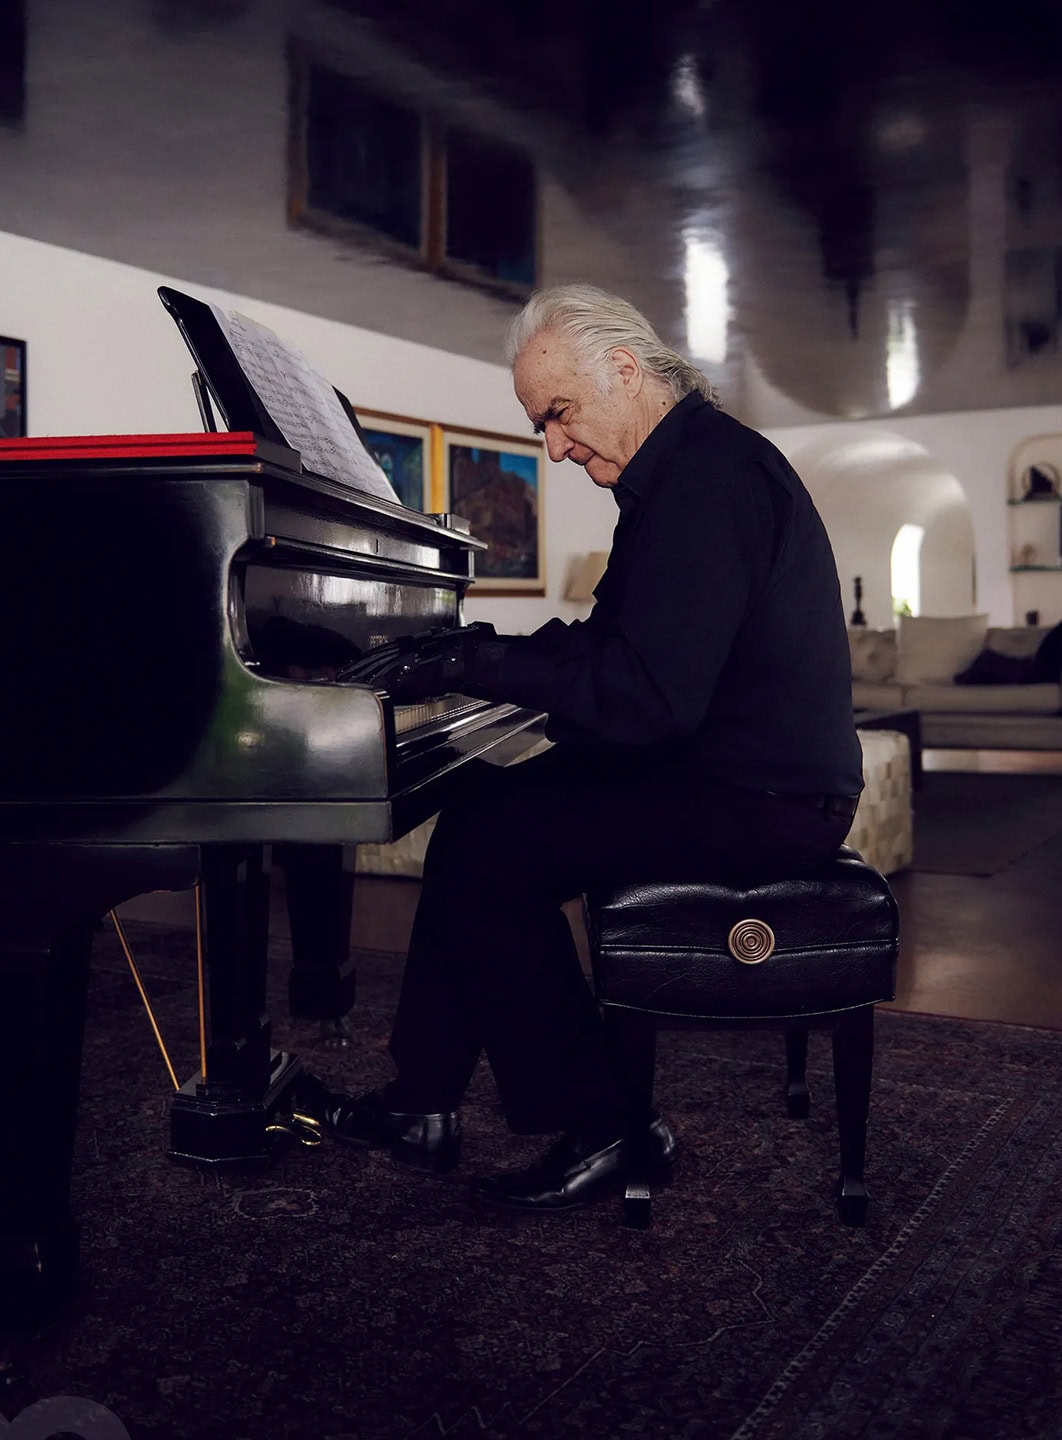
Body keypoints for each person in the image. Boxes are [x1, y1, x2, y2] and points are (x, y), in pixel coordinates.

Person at [301, 283, 865, 1213]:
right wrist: (476, 658)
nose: (554, 447)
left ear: (625, 370)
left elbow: (644, 696)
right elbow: (620, 648)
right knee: (484, 810)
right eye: (542, 428)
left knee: (491, 847)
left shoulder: (708, 479)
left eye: (558, 416)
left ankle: (608, 1123)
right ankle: (423, 1101)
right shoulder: (685, 473)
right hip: (727, 770)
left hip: (766, 798)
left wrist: (474, 659)